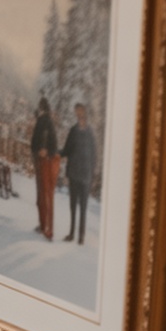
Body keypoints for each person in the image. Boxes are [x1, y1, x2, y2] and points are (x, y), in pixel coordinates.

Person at [60, 102, 97, 245]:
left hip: (86, 177)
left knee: (83, 208)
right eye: (77, 112)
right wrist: (56, 153)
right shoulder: (73, 131)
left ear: (85, 113)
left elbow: (94, 155)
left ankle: (81, 237)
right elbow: (67, 150)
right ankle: (71, 234)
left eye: (80, 111)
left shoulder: (90, 133)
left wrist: (92, 175)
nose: (78, 114)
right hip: (74, 175)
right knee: (73, 206)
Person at [30, 96, 58, 241]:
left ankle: (47, 229)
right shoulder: (46, 120)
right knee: (43, 195)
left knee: (44, 195)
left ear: (42, 108)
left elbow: (45, 140)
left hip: (45, 161)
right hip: (45, 161)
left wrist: (43, 149)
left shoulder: (45, 120)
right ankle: (44, 227)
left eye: (39, 107)